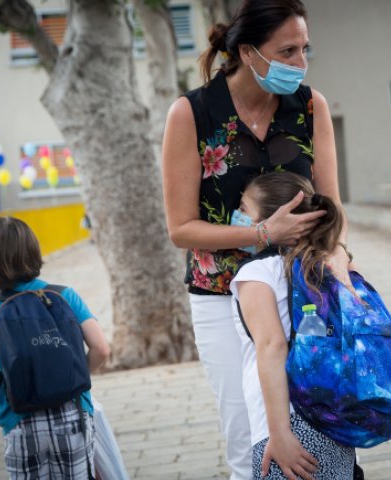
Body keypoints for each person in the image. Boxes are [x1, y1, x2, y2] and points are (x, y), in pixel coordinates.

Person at [161, 1, 349, 477]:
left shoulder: (310, 105)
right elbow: (181, 228)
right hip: (222, 297)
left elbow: (330, 206)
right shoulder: (193, 113)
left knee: (318, 420)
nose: (299, 63)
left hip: (302, 291)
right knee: (249, 435)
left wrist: (339, 262)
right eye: (286, 51)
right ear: (247, 51)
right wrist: (263, 232)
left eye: (305, 49)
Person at [230, 172, 355, 480]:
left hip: (287, 422)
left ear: (275, 217)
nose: (238, 217)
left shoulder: (258, 273)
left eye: (244, 209)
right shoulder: (327, 262)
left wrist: (279, 433)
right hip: (334, 412)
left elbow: (271, 347)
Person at [0, 216, 110, 479]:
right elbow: (101, 349)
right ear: (32, 251)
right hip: (73, 416)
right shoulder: (65, 295)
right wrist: (71, 378)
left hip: (20, 424)